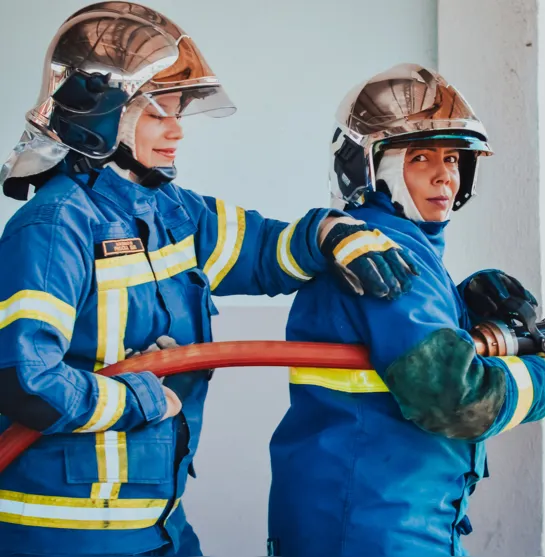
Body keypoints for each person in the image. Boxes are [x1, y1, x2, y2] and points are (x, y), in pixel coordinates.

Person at [0, 4, 417, 556]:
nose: (177, 131)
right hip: (68, 532)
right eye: (157, 114)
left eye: (178, 113)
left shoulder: (169, 211)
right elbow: (24, 380)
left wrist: (333, 234)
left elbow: (266, 251)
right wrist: (142, 398)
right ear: (102, 116)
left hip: (157, 522)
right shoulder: (55, 226)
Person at [267, 63, 545, 556]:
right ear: (368, 167)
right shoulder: (385, 256)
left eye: (452, 158)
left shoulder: (393, 249)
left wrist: (462, 307)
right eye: (420, 157)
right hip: (376, 526)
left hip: (368, 513)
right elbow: (453, 397)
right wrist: (542, 378)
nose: (444, 173)